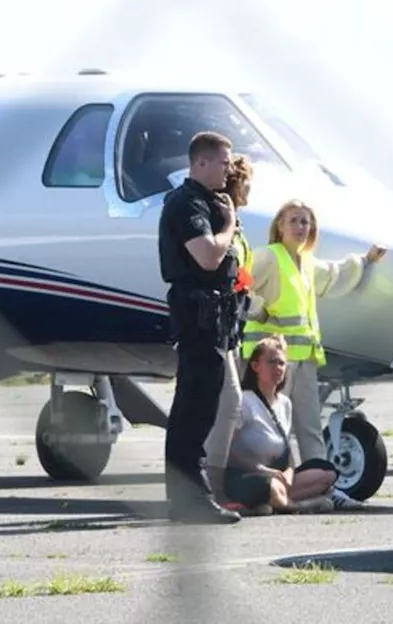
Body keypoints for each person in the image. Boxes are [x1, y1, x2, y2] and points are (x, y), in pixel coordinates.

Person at [240, 198, 387, 510]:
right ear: (279, 225)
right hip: (271, 362)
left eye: (305, 222)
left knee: (308, 425)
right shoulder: (268, 257)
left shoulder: (307, 263)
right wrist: (259, 310)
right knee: (269, 428)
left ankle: (324, 486)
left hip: (303, 359)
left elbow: (335, 274)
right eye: (293, 220)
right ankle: (263, 487)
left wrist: (366, 261)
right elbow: (239, 284)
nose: (300, 227)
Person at [157, 130, 245, 524]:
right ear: (201, 162)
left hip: (213, 316)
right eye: (223, 162)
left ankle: (188, 497)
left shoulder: (207, 201)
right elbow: (208, 256)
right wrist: (229, 223)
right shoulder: (187, 203)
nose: (229, 169)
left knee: (202, 406)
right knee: (193, 409)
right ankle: (189, 498)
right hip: (197, 315)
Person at [222, 334, 339, 514]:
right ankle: (297, 505)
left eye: (282, 363)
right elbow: (228, 450)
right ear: (255, 366)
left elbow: (288, 453)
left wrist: (289, 475)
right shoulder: (244, 401)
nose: (278, 368)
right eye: (271, 362)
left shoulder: (285, 403)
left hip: (277, 476)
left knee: (327, 472)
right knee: (269, 487)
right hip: (248, 474)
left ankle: (274, 501)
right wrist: (262, 470)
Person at [200, 154, 256, 509]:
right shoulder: (223, 216)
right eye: (248, 182)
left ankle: (218, 479)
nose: (252, 189)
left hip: (233, 323)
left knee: (227, 403)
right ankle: (213, 486)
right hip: (216, 323)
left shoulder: (237, 223)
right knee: (228, 400)